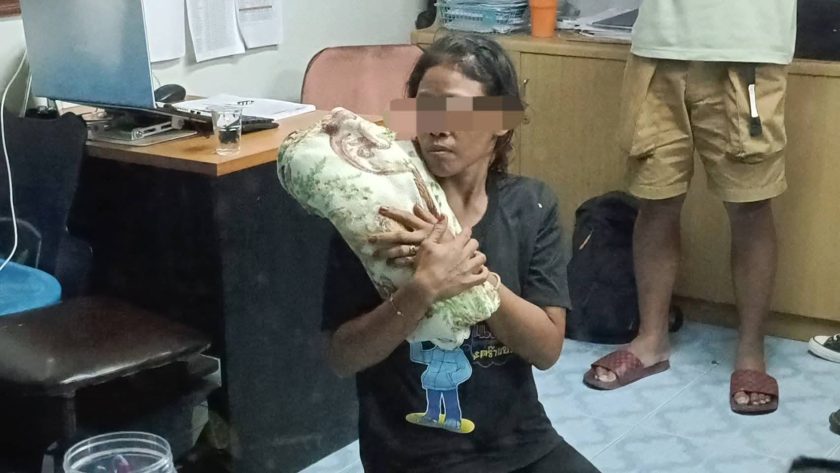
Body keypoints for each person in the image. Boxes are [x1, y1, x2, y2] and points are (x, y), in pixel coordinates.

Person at [322, 34, 599, 472]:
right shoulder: (375, 213)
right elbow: (342, 357)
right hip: (415, 456)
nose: (437, 126)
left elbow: (547, 349)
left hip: (521, 441)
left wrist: (474, 277)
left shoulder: (530, 205)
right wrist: (422, 288)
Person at [583, 0, 797, 415]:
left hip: (747, 51)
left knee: (750, 205)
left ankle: (751, 351)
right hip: (659, 47)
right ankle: (651, 340)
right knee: (655, 198)